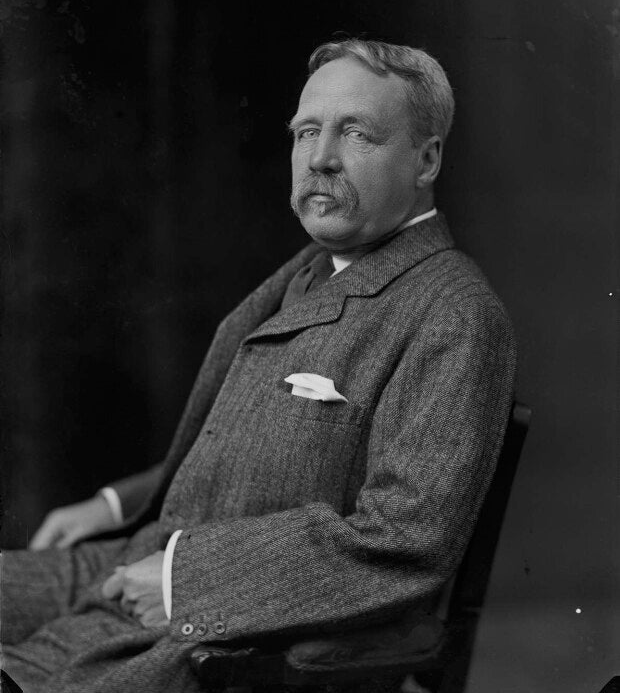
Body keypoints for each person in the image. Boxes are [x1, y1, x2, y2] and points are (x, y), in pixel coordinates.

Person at [1, 39, 516, 693]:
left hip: (223, 628)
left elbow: (404, 542)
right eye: (307, 132)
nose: (321, 158)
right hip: (136, 561)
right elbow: (261, 446)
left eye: (357, 133)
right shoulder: (313, 271)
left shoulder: (453, 315)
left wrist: (183, 583)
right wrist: (114, 503)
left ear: (427, 159)